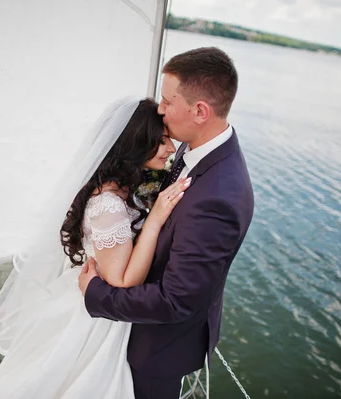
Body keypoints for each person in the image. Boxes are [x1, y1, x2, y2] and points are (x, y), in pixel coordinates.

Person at [0, 98, 189, 398]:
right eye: (162, 140)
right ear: (136, 143)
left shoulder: (122, 189)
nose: (170, 148)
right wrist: (153, 221)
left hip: (92, 303)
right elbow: (122, 281)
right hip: (92, 320)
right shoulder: (108, 204)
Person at [78, 47, 255, 399]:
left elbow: (176, 301)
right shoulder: (191, 150)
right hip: (130, 328)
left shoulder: (218, 198)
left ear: (200, 111)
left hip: (155, 351)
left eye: (167, 101)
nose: (160, 109)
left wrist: (97, 294)